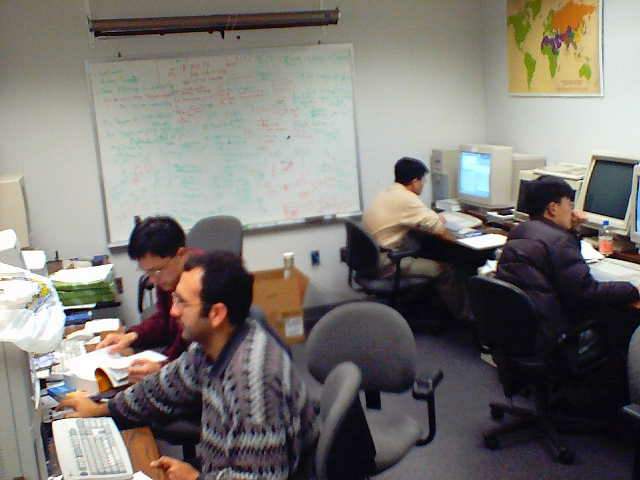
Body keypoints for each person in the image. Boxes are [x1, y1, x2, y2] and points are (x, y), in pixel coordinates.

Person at [61, 251, 317, 480]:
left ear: (216, 314)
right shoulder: (210, 346)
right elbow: (160, 389)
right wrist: (102, 410)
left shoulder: (252, 383)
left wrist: (195, 478)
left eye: (182, 302)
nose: (173, 311)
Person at [497, 175, 640, 346]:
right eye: (569, 205)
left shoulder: (519, 231)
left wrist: (571, 230)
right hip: (550, 335)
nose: (572, 211)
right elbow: (588, 292)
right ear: (553, 208)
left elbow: (564, 266)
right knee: (621, 318)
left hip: (520, 331)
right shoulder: (559, 241)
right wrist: (633, 289)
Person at [362, 157, 471, 322]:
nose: (423, 185)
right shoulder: (407, 199)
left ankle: (427, 306)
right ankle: (464, 317)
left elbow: (420, 219)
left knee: (429, 249)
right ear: (414, 181)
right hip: (388, 262)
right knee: (445, 268)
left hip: (374, 258)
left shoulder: (389, 192)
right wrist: (462, 238)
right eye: (423, 181)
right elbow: (439, 229)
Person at [97, 216, 199, 382]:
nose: (153, 280)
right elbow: (165, 320)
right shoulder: (167, 277)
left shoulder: (201, 282)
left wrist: (162, 368)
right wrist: (132, 336)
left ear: (181, 254)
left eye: (157, 271)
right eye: (147, 272)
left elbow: (195, 351)